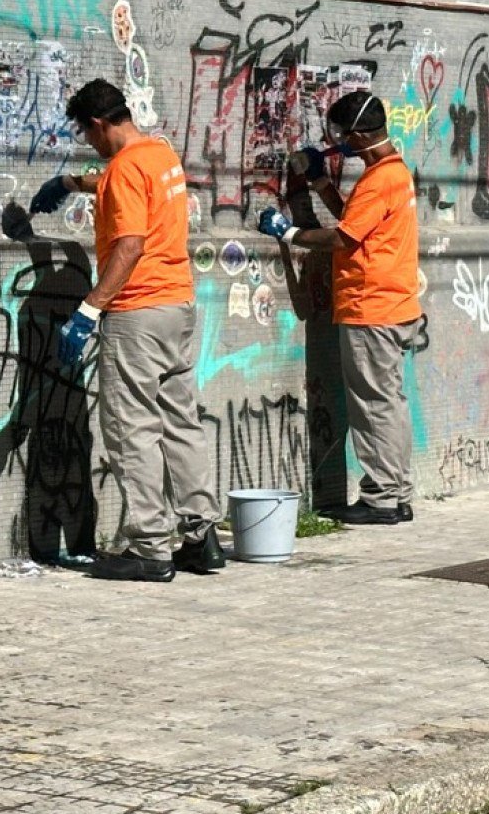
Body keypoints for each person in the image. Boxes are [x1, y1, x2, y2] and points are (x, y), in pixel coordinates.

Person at [29, 79, 223, 582]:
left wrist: (91, 309)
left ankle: (150, 549)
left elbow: (130, 244)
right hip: (178, 306)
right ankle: (202, 538)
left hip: (137, 313)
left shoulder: (125, 168)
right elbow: (123, 184)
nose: (88, 143)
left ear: (97, 124)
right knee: (180, 421)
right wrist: (72, 184)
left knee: (131, 428)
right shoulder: (160, 155)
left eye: (86, 134)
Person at [256, 90, 424, 526]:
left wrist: (288, 232)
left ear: (359, 135)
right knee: (389, 403)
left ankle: (381, 499)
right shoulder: (393, 173)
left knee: (373, 406)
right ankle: (398, 492)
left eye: (343, 135)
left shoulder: (379, 179)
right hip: (392, 304)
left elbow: (343, 238)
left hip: (372, 308)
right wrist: (319, 185)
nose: (338, 143)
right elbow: (356, 219)